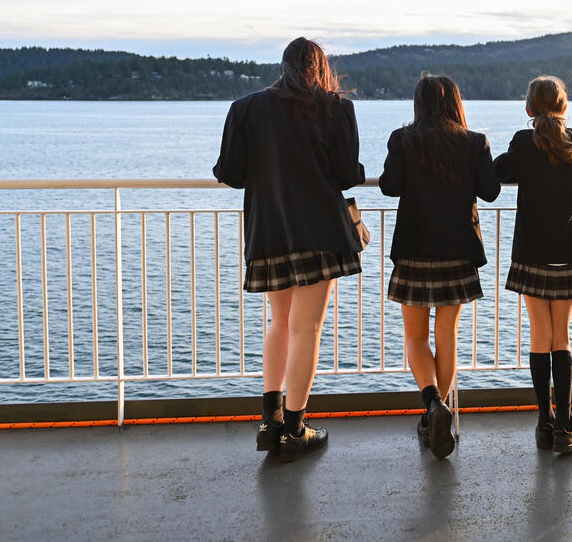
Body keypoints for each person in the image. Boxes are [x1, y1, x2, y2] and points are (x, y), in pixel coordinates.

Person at [213, 37, 365, 462]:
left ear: (282, 67)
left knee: (279, 322)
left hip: (270, 229)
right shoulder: (336, 107)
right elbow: (347, 175)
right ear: (321, 68)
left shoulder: (246, 107)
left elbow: (231, 173)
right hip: (320, 231)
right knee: (307, 329)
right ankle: (296, 429)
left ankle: (270, 420)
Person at [379, 75, 500, 459]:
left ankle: (432, 406)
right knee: (446, 333)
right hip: (458, 250)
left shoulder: (404, 139)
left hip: (414, 248)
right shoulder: (474, 142)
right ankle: (437, 411)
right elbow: (491, 190)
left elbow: (388, 185)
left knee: (415, 337)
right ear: (455, 103)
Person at [493, 76, 572, 453]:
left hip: (531, 253)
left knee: (540, 335)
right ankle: (565, 424)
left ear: (528, 109)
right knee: (562, 337)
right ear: (564, 106)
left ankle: (543, 423)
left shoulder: (524, 142)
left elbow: (498, 173)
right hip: (569, 252)